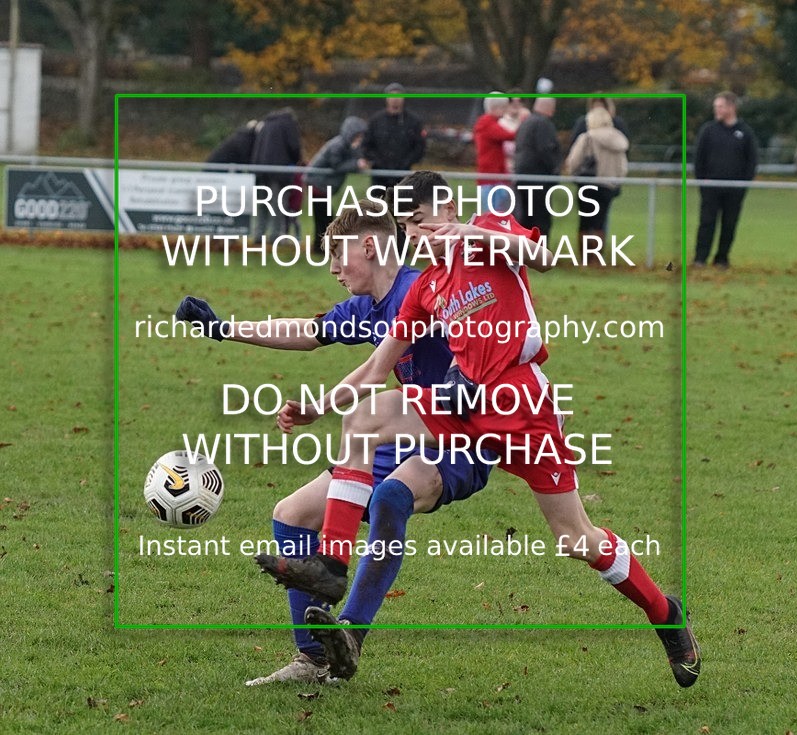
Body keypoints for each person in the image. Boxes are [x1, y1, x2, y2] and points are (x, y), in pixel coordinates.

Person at [260, 170, 701, 688]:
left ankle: (665, 612)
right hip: (464, 406)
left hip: (521, 405)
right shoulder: (425, 286)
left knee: (575, 538)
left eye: (421, 222)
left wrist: (473, 235)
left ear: (448, 210)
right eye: (407, 227)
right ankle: (332, 568)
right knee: (362, 417)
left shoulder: (488, 234)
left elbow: (545, 257)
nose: (416, 237)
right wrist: (318, 406)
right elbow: (378, 368)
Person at [175, 200, 494, 685]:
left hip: (462, 439)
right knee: (292, 513)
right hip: (398, 434)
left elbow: (477, 334)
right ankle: (315, 658)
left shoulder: (421, 289)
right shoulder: (368, 308)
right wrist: (225, 329)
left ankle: (352, 633)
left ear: (369, 246)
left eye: (337, 256)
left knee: (390, 496)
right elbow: (307, 331)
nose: (333, 270)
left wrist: (457, 381)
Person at [692, 91, 758, 269]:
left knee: (729, 225)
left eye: (720, 106)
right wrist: (702, 183)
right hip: (711, 188)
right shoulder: (709, 130)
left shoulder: (745, 132)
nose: (717, 110)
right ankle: (700, 259)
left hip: (734, 190)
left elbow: (751, 161)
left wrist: (743, 185)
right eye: (716, 107)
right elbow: (699, 159)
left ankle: (721, 259)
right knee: (706, 223)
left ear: (731, 107)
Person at [565, 106, 629, 264]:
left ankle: (585, 259)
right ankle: (597, 259)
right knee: (600, 223)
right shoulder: (618, 139)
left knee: (585, 223)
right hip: (608, 186)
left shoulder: (587, 138)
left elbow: (573, 161)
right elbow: (623, 167)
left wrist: (573, 174)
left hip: (587, 185)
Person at [304, 116, 370, 251]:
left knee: (324, 218)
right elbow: (337, 165)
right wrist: (356, 164)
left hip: (321, 186)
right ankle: (322, 247)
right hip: (318, 186)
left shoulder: (346, 146)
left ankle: (321, 246)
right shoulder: (337, 145)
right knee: (325, 219)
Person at [250, 107, 302, 242]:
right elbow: (294, 147)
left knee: (262, 203)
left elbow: (257, 147)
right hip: (279, 171)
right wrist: (297, 160)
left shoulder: (266, 123)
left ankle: (259, 234)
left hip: (261, 170)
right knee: (278, 204)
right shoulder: (288, 123)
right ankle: (276, 235)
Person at [362, 83, 426, 190]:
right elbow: (366, 145)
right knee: (378, 205)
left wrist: (406, 163)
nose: (395, 99)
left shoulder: (413, 122)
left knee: (402, 205)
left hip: (403, 175)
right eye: (392, 96)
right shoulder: (376, 121)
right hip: (379, 175)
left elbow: (420, 147)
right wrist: (378, 162)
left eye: (398, 96)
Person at [514, 97, 561, 238]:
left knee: (526, 220)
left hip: (522, 177)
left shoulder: (526, 123)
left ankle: (523, 255)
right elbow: (545, 150)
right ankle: (539, 256)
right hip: (539, 179)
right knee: (541, 221)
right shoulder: (543, 124)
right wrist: (555, 169)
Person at [473, 94, 516, 213]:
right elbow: (509, 135)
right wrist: (523, 125)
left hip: (495, 175)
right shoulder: (487, 123)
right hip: (491, 176)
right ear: (496, 108)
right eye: (504, 108)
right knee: (492, 214)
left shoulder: (489, 123)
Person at [499, 94, 531, 175]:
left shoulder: (528, 121)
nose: (515, 103)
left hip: (524, 168)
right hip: (505, 169)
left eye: (519, 101)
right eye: (511, 101)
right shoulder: (500, 122)